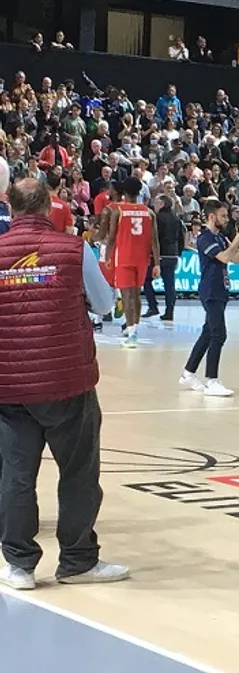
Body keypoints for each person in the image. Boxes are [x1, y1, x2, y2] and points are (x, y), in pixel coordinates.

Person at [0, 178, 128, 590]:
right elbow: (105, 305)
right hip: (67, 381)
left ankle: (19, 565)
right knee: (78, 472)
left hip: (9, 385)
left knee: (16, 475)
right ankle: (77, 560)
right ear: (48, 207)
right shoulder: (75, 249)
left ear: (11, 208)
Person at [178, 200, 239, 397]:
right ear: (212, 216)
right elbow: (224, 257)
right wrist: (238, 238)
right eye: (223, 216)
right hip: (210, 290)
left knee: (208, 333)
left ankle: (188, 373)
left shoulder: (219, 237)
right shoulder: (205, 238)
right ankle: (212, 380)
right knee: (219, 334)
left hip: (221, 288)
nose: (226, 219)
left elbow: (235, 258)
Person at [106, 176, 159, 348]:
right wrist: (157, 263)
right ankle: (135, 329)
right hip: (142, 258)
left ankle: (131, 333)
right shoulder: (149, 212)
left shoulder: (119, 211)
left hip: (124, 257)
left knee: (127, 295)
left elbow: (111, 238)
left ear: (125, 192)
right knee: (136, 294)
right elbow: (154, 241)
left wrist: (107, 256)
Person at [142, 194, 185, 322]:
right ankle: (169, 311)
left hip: (159, 255)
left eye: (156, 203)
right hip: (172, 254)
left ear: (162, 204)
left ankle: (153, 306)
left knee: (146, 280)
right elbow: (181, 236)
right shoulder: (176, 218)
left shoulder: (156, 218)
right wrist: (178, 252)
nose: (154, 205)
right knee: (169, 284)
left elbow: (153, 237)